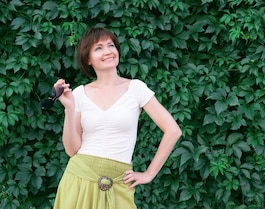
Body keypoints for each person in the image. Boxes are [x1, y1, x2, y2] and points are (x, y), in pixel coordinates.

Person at [52, 26, 182, 209]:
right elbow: (72, 150)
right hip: (79, 177)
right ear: (88, 59)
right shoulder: (79, 94)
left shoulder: (136, 88)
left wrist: (149, 174)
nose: (108, 51)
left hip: (119, 181)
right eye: (98, 48)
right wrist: (69, 109)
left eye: (111, 45)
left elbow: (173, 130)